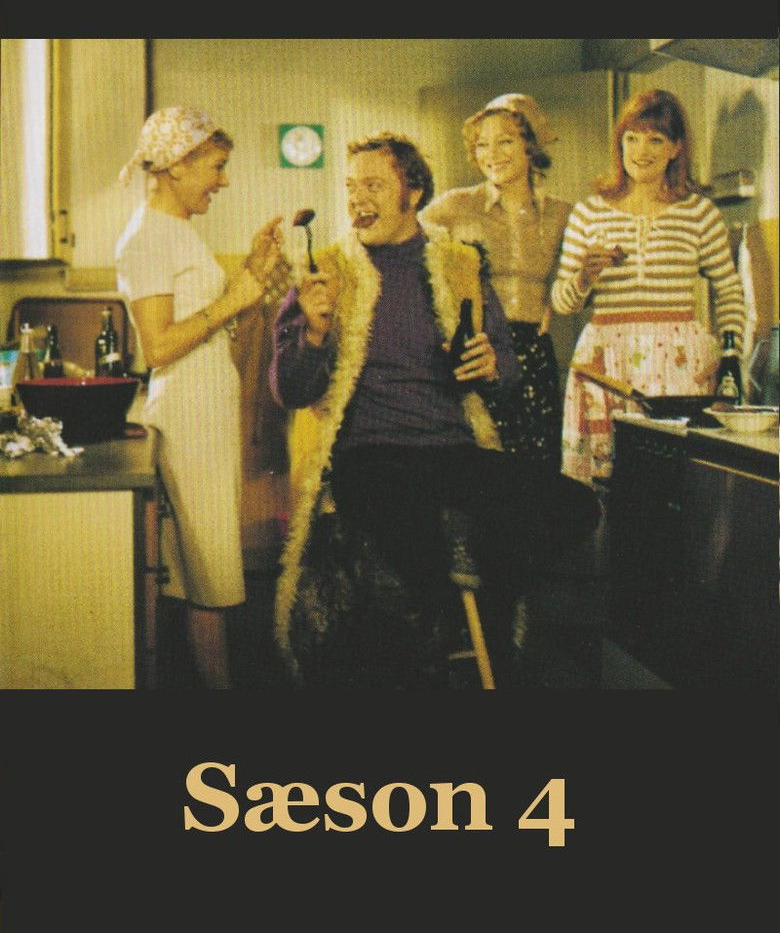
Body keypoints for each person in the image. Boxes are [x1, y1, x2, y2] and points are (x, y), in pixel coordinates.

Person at [269, 131, 599, 689]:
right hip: (369, 455)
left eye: (374, 185)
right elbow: (289, 391)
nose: (357, 199)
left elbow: (508, 375)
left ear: (413, 193)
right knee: (415, 543)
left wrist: (492, 367)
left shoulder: (460, 267)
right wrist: (316, 333)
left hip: (451, 451)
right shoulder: (325, 272)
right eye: (351, 187)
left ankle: (484, 606)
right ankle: (444, 649)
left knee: (575, 505)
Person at [115, 106, 285, 689]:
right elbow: (159, 346)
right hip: (189, 415)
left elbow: (205, 322)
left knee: (200, 574)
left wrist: (252, 275)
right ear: (178, 165)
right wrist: (236, 299)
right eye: (216, 166)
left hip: (202, 410)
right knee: (210, 574)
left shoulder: (175, 231)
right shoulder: (146, 239)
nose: (224, 180)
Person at [551, 88, 746, 486]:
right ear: (620, 143)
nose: (642, 151)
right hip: (606, 365)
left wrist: (729, 356)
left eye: (656, 139)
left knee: (671, 483)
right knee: (604, 483)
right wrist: (584, 278)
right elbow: (562, 303)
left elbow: (729, 290)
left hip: (679, 366)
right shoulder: (589, 212)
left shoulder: (699, 212)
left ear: (676, 148)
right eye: (632, 138)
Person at [421, 93, 571, 468]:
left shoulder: (562, 214)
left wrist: (552, 304)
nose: (492, 155)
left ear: (530, 145)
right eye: (482, 145)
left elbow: (576, 285)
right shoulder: (456, 205)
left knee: (536, 470)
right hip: (479, 351)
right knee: (482, 465)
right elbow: (404, 243)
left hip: (535, 355)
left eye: (505, 141)